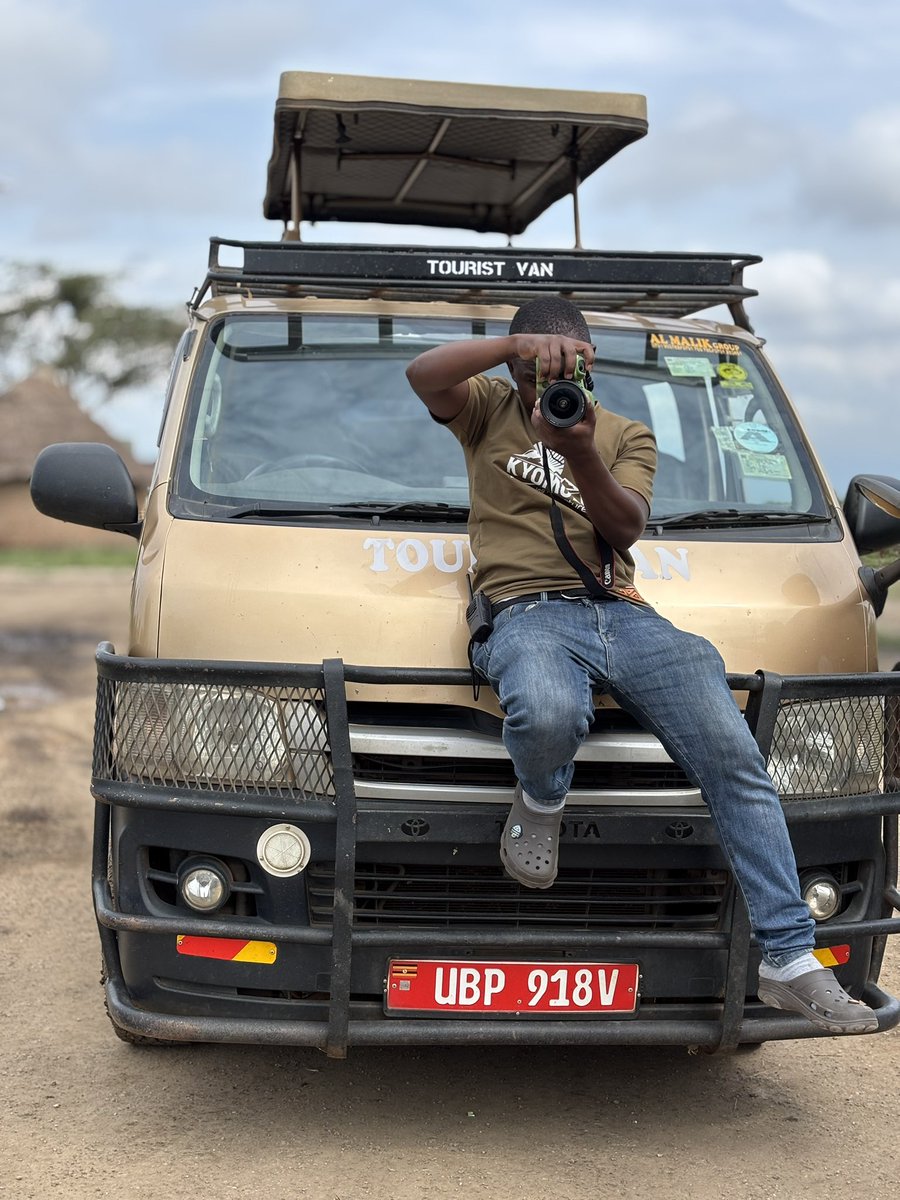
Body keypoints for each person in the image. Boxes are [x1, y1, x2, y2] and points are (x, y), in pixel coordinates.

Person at [405, 295, 878, 1036]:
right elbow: (421, 373)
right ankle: (542, 801)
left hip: (622, 612)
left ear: (593, 366)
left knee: (736, 753)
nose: (551, 386)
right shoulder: (491, 408)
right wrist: (512, 351)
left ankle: (789, 958)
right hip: (525, 610)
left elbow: (625, 526)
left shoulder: (623, 434)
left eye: (569, 368)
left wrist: (580, 447)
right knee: (550, 708)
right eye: (541, 369)